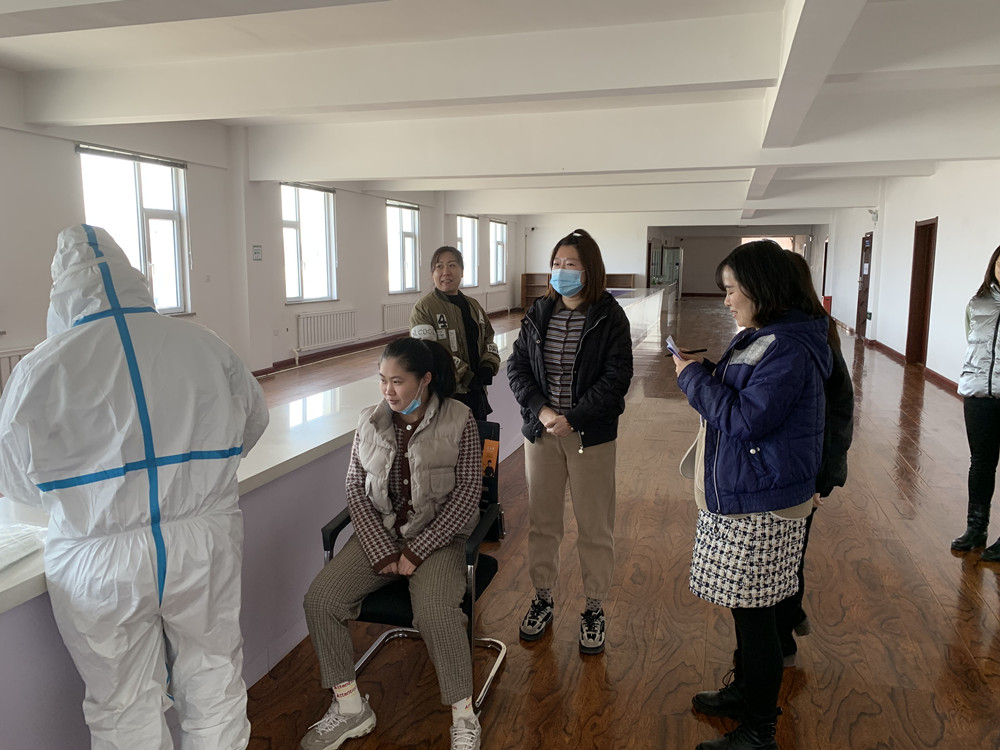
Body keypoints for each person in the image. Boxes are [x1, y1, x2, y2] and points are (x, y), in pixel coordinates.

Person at [0, 224, 269, 750]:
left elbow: (16, 484)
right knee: (214, 676)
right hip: (203, 541)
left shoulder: (38, 370)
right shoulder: (204, 345)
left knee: (122, 706)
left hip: (97, 561)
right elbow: (253, 423)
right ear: (133, 278)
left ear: (62, 292)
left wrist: (87, 497)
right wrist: (196, 478)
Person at [673, 240, 831, 750]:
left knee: (756, 616)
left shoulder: (787, 347)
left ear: (760, 289)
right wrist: (706, 371)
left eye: (731, 290)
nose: (726, 300)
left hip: (764, 498)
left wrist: (692, 379)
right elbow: (747, 395)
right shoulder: (766, 337)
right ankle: (745, 691)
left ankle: (760, 729)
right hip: (752, 489)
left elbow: (746, 420)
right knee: (747, 607)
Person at [301, 337, 483, 750]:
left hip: (439, 539)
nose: (388, 390)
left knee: (435, 612)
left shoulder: (460, 419)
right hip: (380, 535)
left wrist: (417, 550)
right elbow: (355, 486)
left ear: (425, 380)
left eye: (398, 381)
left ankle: (463, 714)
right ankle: (350, 708)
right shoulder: (368, 421)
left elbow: (467, 494)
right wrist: (381, 548)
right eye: (382, 380)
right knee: (321, 600)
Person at [507, 228, 633, 655]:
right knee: (543, 523)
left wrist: (573, 418)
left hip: (589, 437)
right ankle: (543, 597)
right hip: (541, 434)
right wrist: (542, 411)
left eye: (571, 264)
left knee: (594, 526)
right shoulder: (539, 312)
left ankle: (594, 607)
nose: (561, 271)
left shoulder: (609, 316)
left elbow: (616, 378)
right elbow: (518, 368)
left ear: (589, 269)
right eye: (556, 264)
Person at [770, 251, 854, 664]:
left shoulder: (810, 338)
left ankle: (782, 638)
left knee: (785, 557)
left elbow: (839, 411)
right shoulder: (786, 331)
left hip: (804, 472)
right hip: (783, 469)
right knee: (784, 554)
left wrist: (824, 477)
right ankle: (790, 618)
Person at [411, 246, 500, 420]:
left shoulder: (473, 305)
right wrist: (465, 375)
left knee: (478, 436)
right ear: (432, 274)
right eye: (439, 266)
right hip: (446, 396)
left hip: (477, 393)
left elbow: (488, 336)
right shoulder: (424, 308)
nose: (446, 272)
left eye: (452, 265)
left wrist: (488, 364)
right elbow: (428, 351)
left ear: (462, 271)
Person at [953, 244, 1000, 561]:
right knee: (981, 463)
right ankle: (976, 528)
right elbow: (971, 339)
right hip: (978, 394)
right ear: (993, 266)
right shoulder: (977, 303)